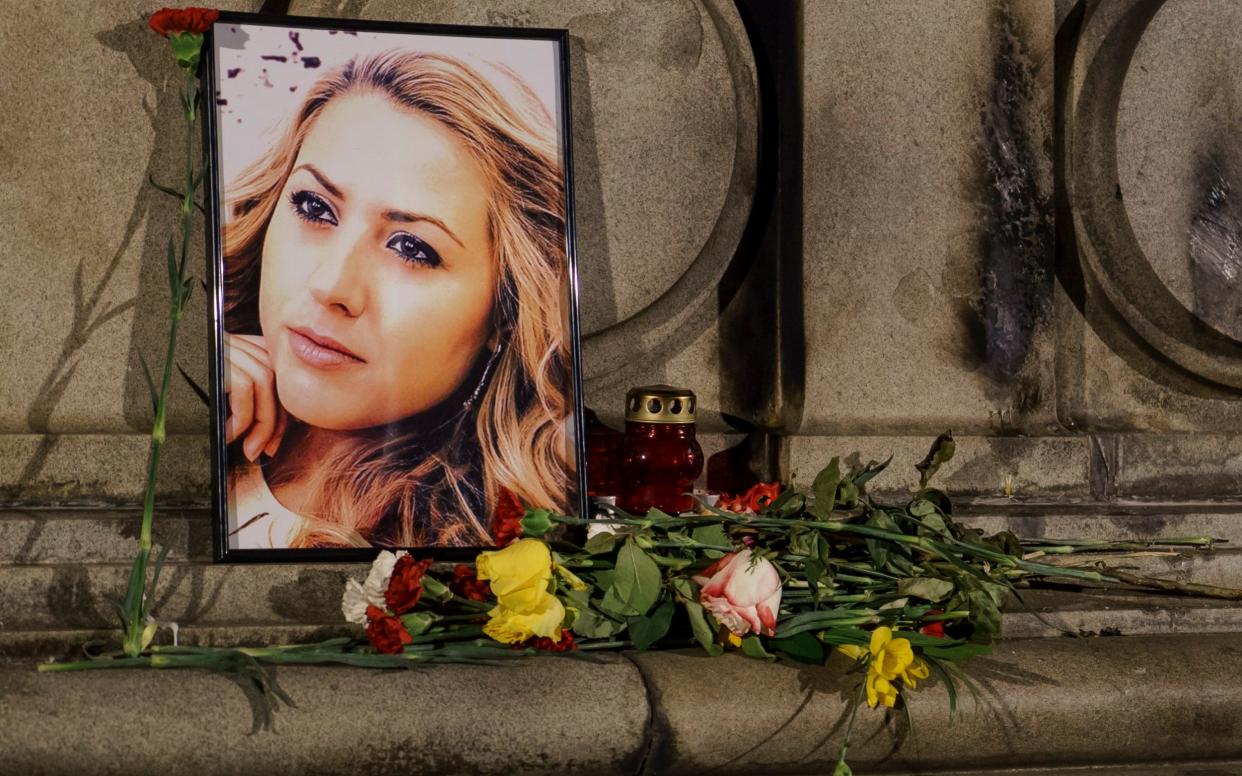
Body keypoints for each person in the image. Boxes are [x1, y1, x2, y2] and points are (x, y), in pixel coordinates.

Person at [220, 50, 574, 549]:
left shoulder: (507, 555)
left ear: (506, 311)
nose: (331, 287)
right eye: (314, 207)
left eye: (413, 249)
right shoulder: (192, 413)